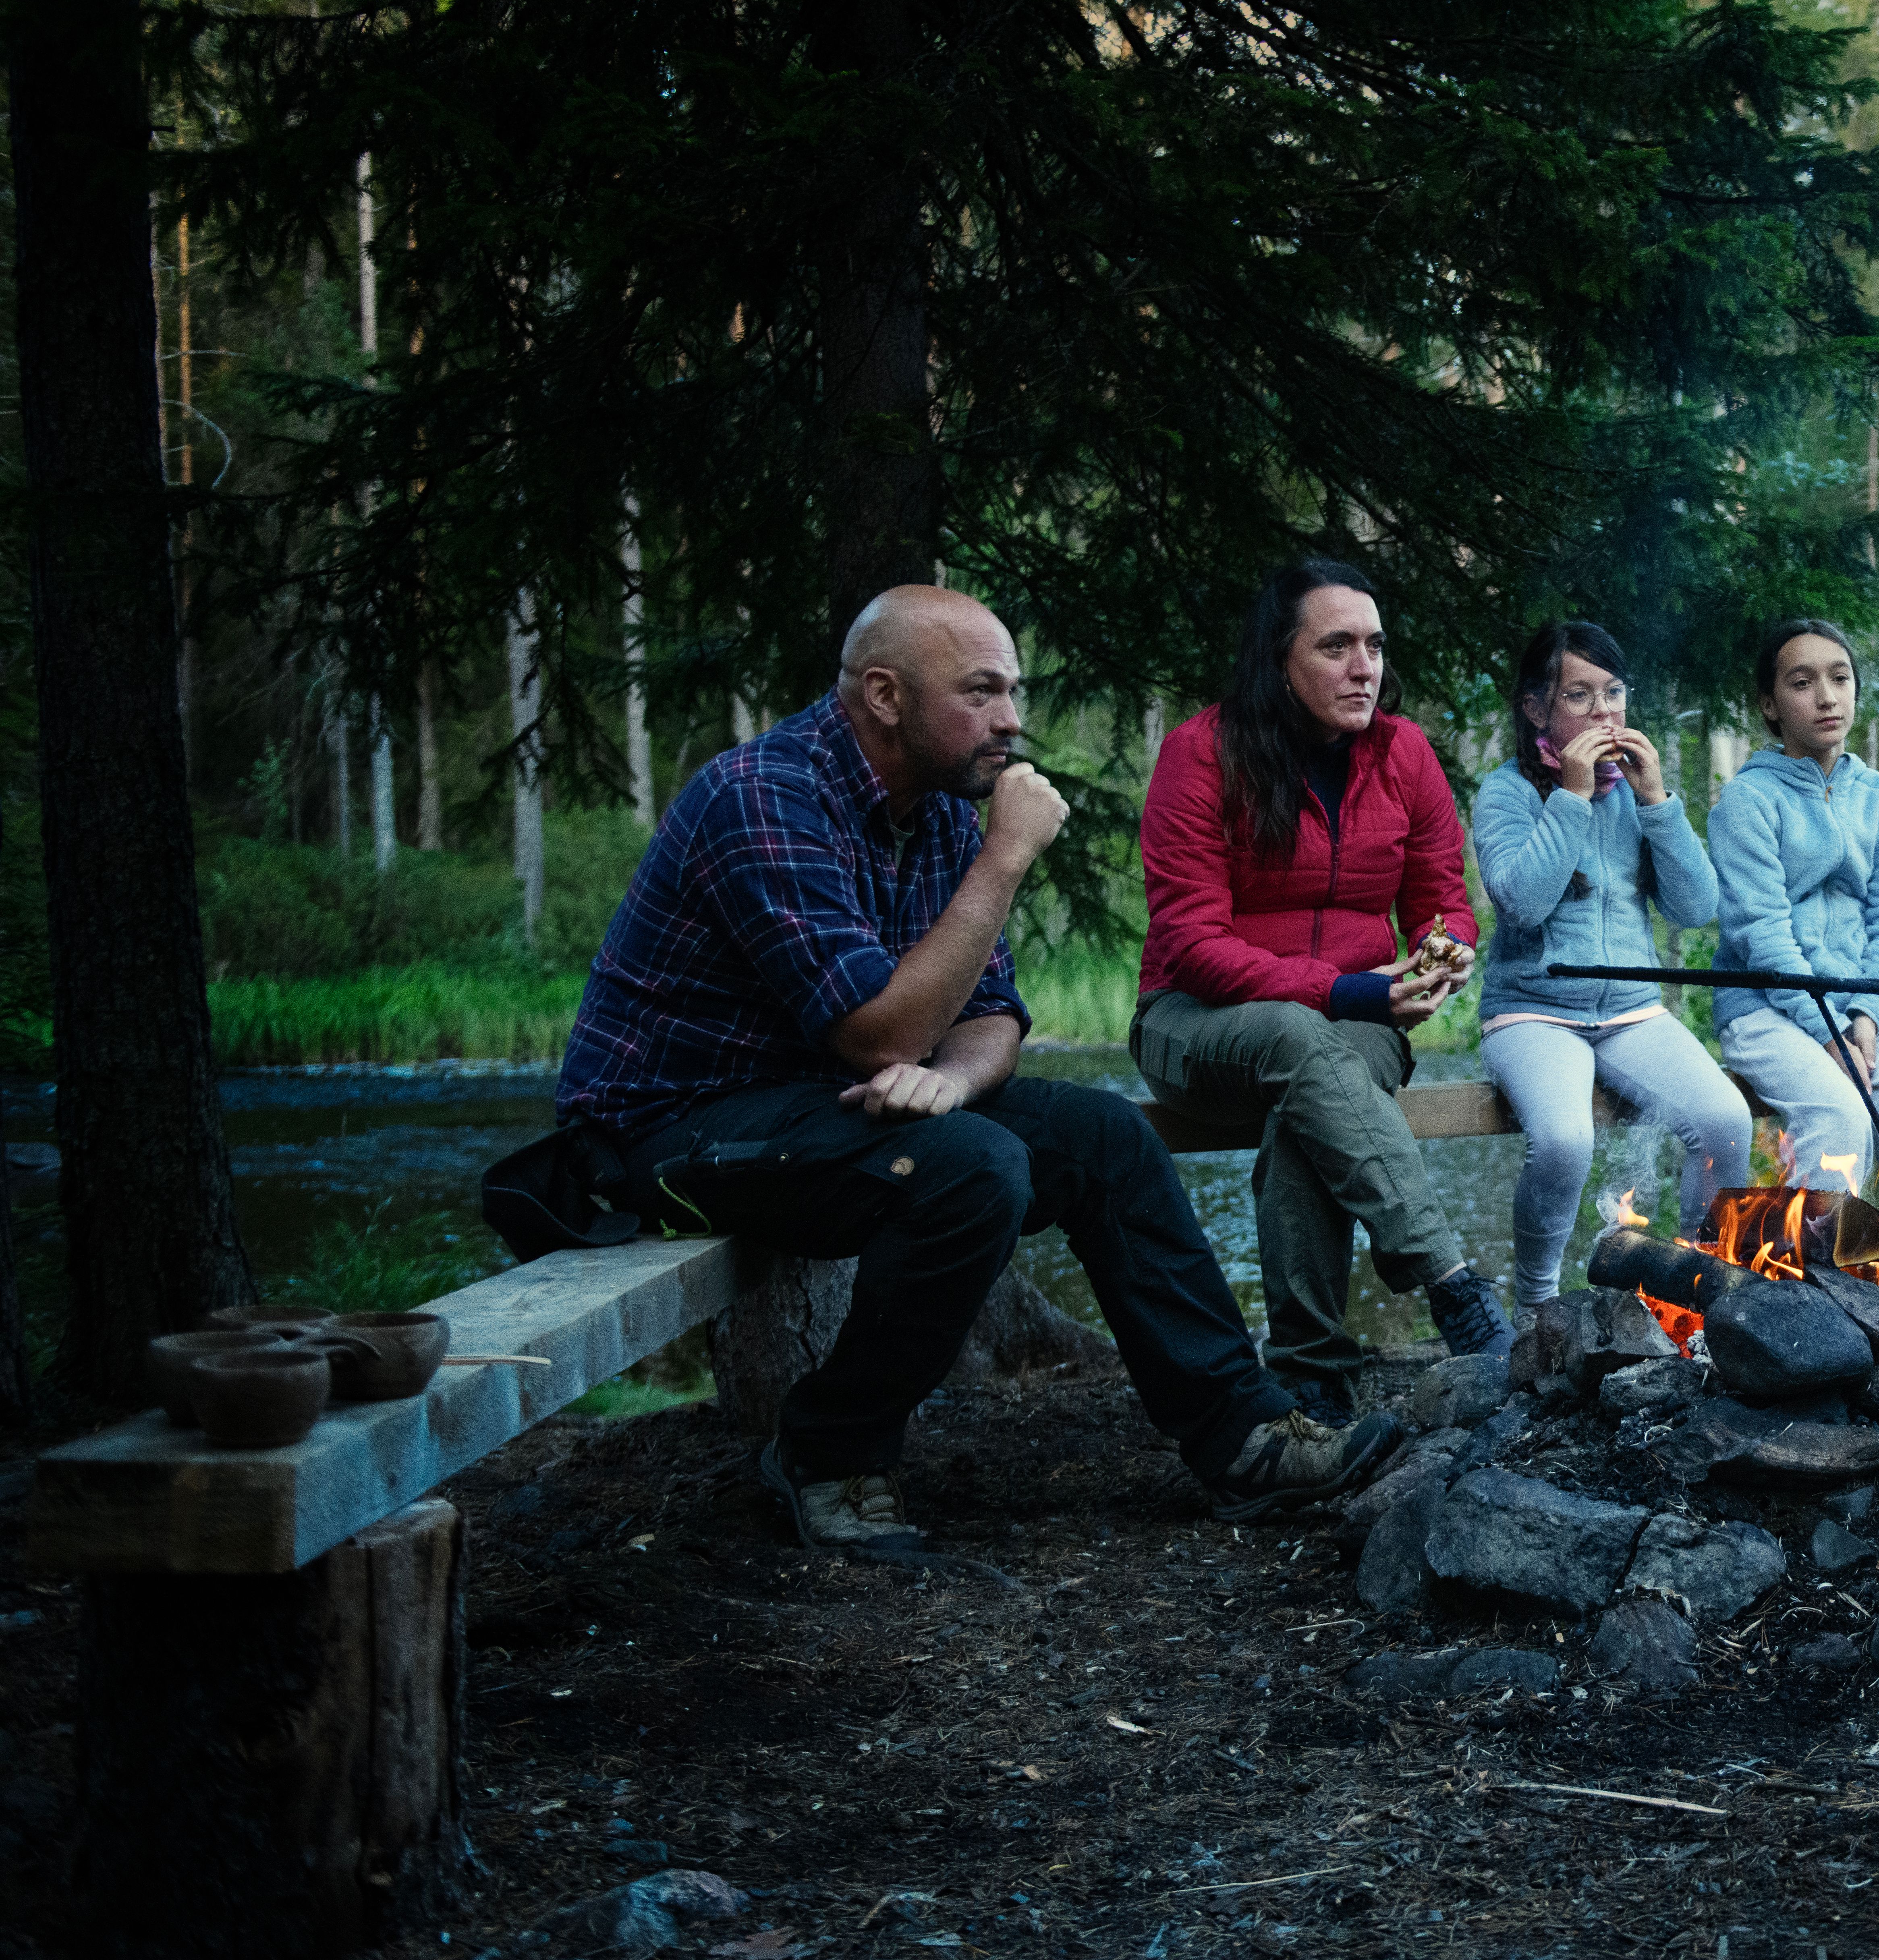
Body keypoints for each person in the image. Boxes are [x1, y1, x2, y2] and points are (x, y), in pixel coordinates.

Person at [555, 584, 1404, 1557]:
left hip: (820, 1105)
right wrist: (1004, 863)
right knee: (968, 1167)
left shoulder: (943, 807)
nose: (1012, 720)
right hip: (669, 1127)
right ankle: (829, 1456)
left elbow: (993, 1014)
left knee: (1104, 1139)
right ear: (884, 695)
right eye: (982, 692)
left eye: (1015, 690)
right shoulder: (764, 795)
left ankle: (1242, 1436)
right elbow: (876, 1034)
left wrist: (952, 1083)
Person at [1133, 558, 1517, 1410]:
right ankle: (1448, 1279)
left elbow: (1442, 901)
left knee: (1312, 1099)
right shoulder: (1201, 753)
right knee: (1302, 1042)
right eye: (1336, 645)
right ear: (1279, 660)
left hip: (1356, 1023)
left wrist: (1442, 951)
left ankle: (1314, 1384)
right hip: (1197, 1020)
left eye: (1374, 645)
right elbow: (1192, 943)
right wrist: (1348, 993)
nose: (1364, 666)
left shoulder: (1403, 752)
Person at [1474, 621, 1752, 1303]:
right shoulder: (1507, 793)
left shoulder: (1633, 794)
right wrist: (1569, 797)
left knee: (1726, 1122)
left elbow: (1695, 906)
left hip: (1631, 1012)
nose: (1605, 715)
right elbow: (1522, 905)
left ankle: (1695, 1289)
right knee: (1566, 1143)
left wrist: (1658, 801)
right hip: (1532, 1013)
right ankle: (1537, 1307)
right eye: (1580, 696)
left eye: (1615, 693)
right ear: (1537, 709)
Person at [1706, 618, 1879, 1262]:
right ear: (1770, 704)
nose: (1826, 696)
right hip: (1770, 1011)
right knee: (1842, 1117)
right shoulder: (1746, 802)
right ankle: (1801, 1307)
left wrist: (1868, 1020)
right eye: (1802, 682)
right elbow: (1761, 934)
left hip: (1868, 1014)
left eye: (1840, 677)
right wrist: (1828, 1033)